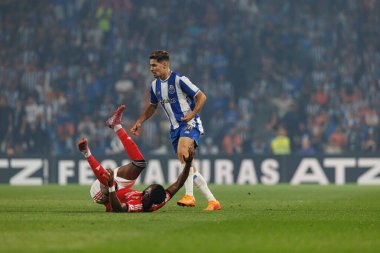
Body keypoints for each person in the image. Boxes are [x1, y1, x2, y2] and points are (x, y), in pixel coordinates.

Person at [130, 50, 221, 211]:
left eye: (154, 65)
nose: (151, 69)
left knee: (183, 153)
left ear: (165, 64)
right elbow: (153, 106)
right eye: (150, 65)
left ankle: (189, 196)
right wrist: (140, 121)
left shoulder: (179, 80)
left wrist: (192, 115)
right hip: (175, 128)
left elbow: (202, 97)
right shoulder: (154, 86)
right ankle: (213, 201)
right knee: (188, 165)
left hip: (190, 122)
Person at [77, 104, 194, 212]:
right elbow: (178, 183)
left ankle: (86, 152)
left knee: (110, 180)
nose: (144, 190)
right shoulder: (160, 199)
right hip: (120, 186)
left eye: (146, 190)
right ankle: (116, 125)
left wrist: (112, 186)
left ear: (148, 196)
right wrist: (188, 164)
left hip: (103, 194)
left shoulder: (137, 205)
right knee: (140, 164)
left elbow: (118, 209)